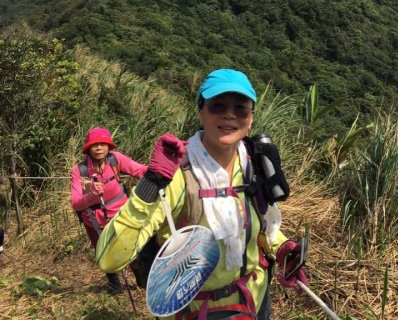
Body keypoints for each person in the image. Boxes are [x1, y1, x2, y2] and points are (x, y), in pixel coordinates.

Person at [96, 69, 308, 318]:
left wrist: (281, 247)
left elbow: (260, 222)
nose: (229, 114)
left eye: (240, 108)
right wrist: (151, 184)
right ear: (201, 112)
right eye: (217, 106)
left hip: (254, 300)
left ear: (251, 118)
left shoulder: (254, 163)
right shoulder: (177, 173)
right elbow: (108, 259)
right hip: (194, 311)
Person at [71, 126, 147, 294]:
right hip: (94, 221)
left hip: (122, 216)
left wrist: (163, 169)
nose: (99, 148)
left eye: (103, 144)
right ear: (88, 148)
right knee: (104, 252)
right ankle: (115, 286)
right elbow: (76, 203)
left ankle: (141, 282)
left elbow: (140, 170)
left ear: (108, 146)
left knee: (131, 250)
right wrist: (92, 195)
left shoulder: (115, 159)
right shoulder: (80, 171)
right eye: (94, 145)